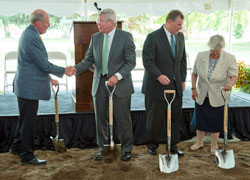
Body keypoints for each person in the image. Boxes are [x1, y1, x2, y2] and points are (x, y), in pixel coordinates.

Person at [9, 9, 75, 165]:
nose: (49, 25)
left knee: (24, 120)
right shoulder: (32, 37)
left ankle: (16, 147)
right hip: (28, 88)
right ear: (37, 23)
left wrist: (49, 77)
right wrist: (64, 70)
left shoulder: (30, 34)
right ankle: (27, 156)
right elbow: (43, 63)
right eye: (46, 22)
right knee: (28, 122)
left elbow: (34, 63)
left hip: (25, 85)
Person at [74, 8, 136, 161]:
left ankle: (126, 149)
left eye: (100, 21)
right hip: (100, 83)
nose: (97, 24)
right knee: (100, 119)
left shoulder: (126, 37)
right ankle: (103, 148)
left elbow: (131, 62)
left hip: (120, 85)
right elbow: (88, 60)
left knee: (123, 119)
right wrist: (75, 69)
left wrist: (117, 76)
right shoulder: (95, 38)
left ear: (110, 22)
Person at [142, 10, 187, 156]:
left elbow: (182, 61)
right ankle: (152, 145)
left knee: (175, 116)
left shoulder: (180, 37)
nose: (180, 27)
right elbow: (148, 61)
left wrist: (182, 79)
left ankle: (173, 145)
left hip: (175, 85)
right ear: (169, 22)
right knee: (154, 117)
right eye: (178, 24)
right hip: (156, 86)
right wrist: (158, 75)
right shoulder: (153, 37)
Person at [190, 35, 238, 155]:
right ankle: (199, 142)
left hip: (218, 94)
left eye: (217, 51)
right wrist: (193, 89)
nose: (214, 53)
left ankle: (214, 145)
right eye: (212, 50)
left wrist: (230, 83)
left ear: (222, 48)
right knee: (199, 119)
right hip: (202, 93)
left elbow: (234, 75)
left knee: (215, 121)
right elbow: (194, 73)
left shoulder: (229, 58)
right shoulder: (201, 55)